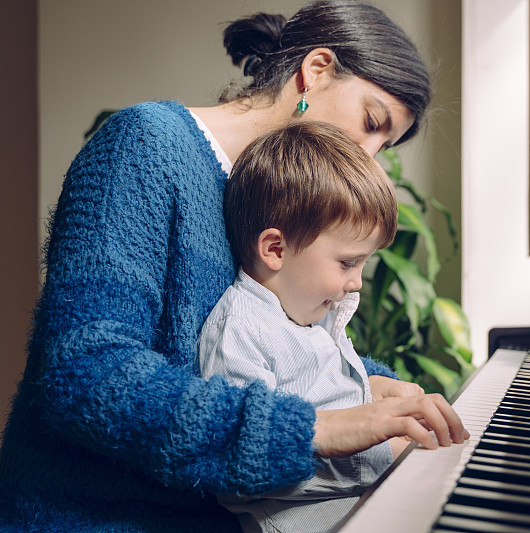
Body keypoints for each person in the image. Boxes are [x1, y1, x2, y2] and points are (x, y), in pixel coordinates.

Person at [0, 2, 468, 532]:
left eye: (385, 145)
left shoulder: (286, 191)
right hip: (99, 517)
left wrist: (372, 389)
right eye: (371, 123)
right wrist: (315, 429)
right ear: (315, 70)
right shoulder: (142, 147)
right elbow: (84, 375)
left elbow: (285, 341)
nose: (369, 156)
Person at [198, 120, 408, 533]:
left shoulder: (310, 309)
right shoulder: (241, 330)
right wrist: (387, 455)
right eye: (348, 262)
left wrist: (374, 387)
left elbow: (323, 393)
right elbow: (240, 472)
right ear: (275, 249)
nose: (357, 282)